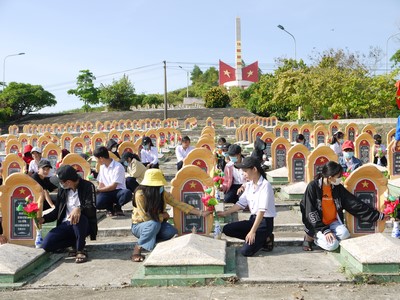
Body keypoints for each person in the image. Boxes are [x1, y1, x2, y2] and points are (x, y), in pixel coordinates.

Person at [300, 161, 388, 252]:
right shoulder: (313, 187)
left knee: (345, 234)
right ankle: (311, 237)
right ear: (330, 177)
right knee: (332, 245)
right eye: (338, 177)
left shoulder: (337, 187)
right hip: (317, 224)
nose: (340, 178)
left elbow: (353, 204)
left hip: (332, 222)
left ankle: (327, 235)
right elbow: (310, 211)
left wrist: (378, 215)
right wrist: (324, 230)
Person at [131, 169, 211, 262]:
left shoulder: (161, 193)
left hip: (156, 224)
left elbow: (178, 204)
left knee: (171, 231)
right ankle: (137, 250)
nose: (162, 187)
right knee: (153, 224)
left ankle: (151, 241)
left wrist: (200, 213)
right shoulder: (140, 195)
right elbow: (146, 217)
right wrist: (163, 216)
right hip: (140, 225)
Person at [217, 156, 276, 257]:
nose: (243, 175)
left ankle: (265, 237)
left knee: (246, 252)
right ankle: (261, 238)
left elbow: (261, 211)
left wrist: (252, 232)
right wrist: (225, 213)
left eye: (245, 171)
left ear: (254, 169)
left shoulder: (265, 186)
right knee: (227, 229)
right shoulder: (249, 185)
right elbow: (240, 204)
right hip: (253, 219)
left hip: (264, 223)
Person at [40, 165, 97, 263]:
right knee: (47, 244)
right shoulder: (63, 190)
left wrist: (79, 209)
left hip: (83, 224)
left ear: (69, 182)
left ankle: (80, 250)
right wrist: (44, 219)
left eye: (61, 182)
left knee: (77, 218)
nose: (60, 184)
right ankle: (74, 242)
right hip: (66, 223)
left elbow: (91, 207)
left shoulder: (88, 186)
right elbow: (58, 210)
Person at [94, 146, 133, 217]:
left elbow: (113, 186)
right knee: (97, 202)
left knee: (127, 193)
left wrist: (99, 190)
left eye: (97, 159)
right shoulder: (102, 167)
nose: (96, 161)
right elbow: (101, 183)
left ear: (101, 158)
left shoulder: (118, 167)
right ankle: (109, 208)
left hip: (118, 191)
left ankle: (117, 207)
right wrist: (98, 192)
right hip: (106, 192)